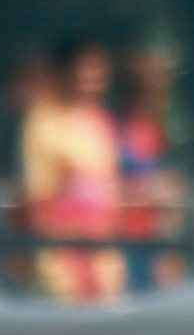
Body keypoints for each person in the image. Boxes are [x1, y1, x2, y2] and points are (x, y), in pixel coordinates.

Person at [17, 48, 125, 305]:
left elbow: (109, 187)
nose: (92, 77)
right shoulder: (43, 121)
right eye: (85, 69)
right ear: (64, 73)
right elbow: (37, 195)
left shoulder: (100, 123)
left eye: (98, 70)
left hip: (102, 257)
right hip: (61, 257)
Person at [111, 43, 188, 293]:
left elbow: (170, 197)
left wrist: (170, 254)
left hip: (153, 245)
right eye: (153, 82)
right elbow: (100, 185)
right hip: (119, 245)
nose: (162, 90)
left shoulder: (158, 130)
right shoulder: (109, 128)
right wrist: (148, 191)